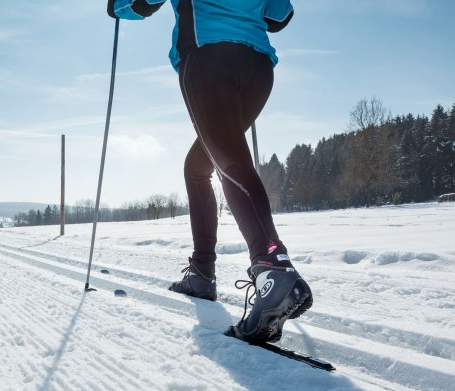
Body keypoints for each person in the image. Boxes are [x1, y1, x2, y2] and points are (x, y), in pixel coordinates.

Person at [107, 0, 312, 343]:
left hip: (208, 59)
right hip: (258, 69)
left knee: (229, 162)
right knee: (199, 167)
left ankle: (272, 268)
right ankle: (203, 272)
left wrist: (117, 6)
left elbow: (140, 5)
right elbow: (280, 16)